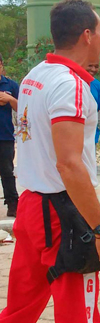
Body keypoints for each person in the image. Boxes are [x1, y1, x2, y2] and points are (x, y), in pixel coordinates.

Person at [0, 1, 100, 323]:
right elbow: (69, 165)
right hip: (65, 218)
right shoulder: (70, 86)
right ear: (87, 35)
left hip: (31, 208)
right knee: (79, 319)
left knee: (19, 309)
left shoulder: (34, 77)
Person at [0, 53, 19, 220]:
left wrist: (9, 98)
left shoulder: (10, 85)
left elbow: (23, 107)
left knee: (7, 171)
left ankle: (13, 203)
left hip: (4, 135)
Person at [85, 61, 100, 144]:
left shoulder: (98, 86)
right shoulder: (71, 82)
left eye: (96, 66)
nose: (93, 69)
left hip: (91, 134)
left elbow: (98, 109)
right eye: (90, 65)